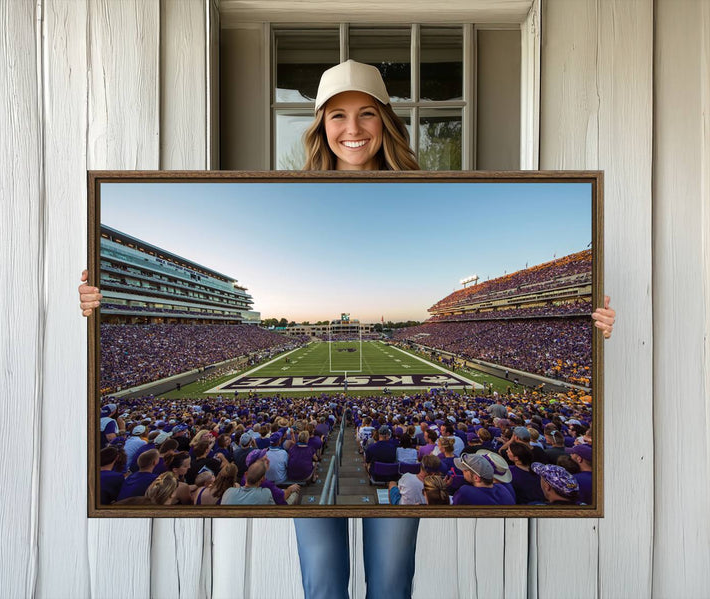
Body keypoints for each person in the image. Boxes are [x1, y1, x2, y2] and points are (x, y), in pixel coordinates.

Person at [79, 59, 616, 599]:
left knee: (390, 580)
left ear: (385, 120)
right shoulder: (288, 188)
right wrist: (98, 301)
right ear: (320, 126)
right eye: (337, 115)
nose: (352, 129)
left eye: (366, 114)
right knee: (322, 581)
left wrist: (593, 322)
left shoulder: (426, 188)